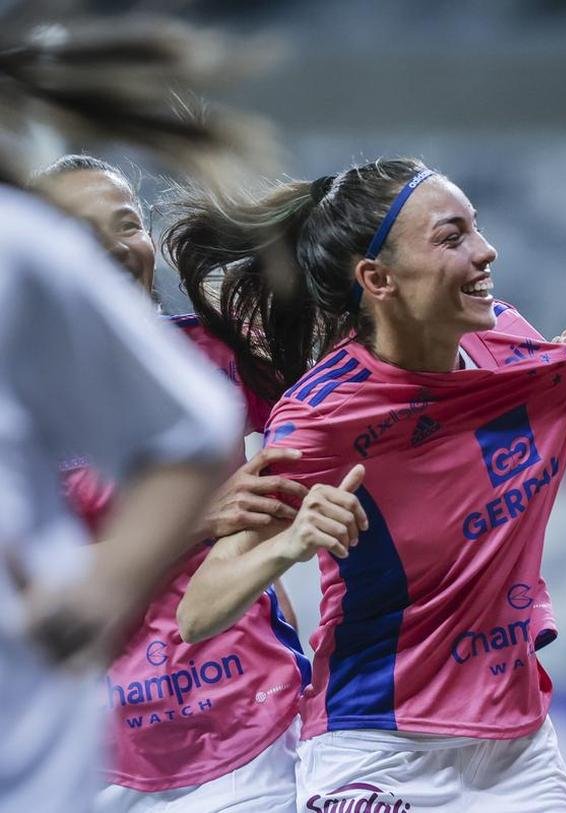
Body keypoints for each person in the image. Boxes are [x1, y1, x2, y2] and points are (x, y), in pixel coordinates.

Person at [175, 158, 566, 812]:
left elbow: (532, 392)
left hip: (519, 747)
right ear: (377, 279)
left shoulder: (512, 346)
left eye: (476, 227)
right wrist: (290, 542)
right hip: (377, 744)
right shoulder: (322, 417)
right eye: (452, 237)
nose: (486, 250)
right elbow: (198, 611)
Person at [35, 154, 311, 813]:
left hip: (251, 731)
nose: (113, 246)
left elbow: (359, 393)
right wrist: (198, 521)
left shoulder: (217, 354)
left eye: (126, 223)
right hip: (94, 757)